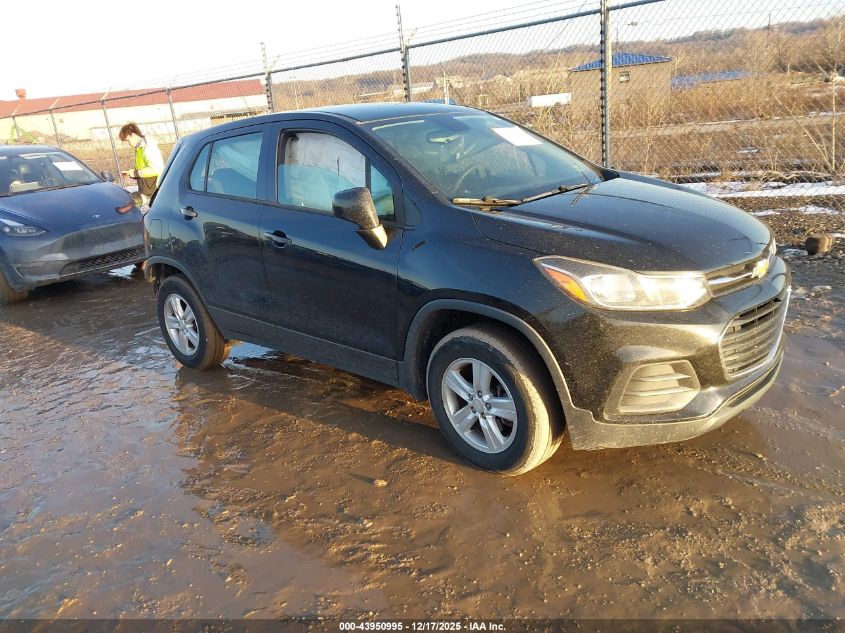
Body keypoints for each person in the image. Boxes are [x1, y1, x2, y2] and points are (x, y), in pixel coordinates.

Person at [118, 123, 164, 204]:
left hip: (154, 190)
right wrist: (132, 173)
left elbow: (157, 169)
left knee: (131, 204)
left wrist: (136, 173)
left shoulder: (148, 148)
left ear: (133, 135)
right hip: (147, 189)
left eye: (128, 141)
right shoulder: (139, 149)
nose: (128, 144)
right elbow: (143, 169)